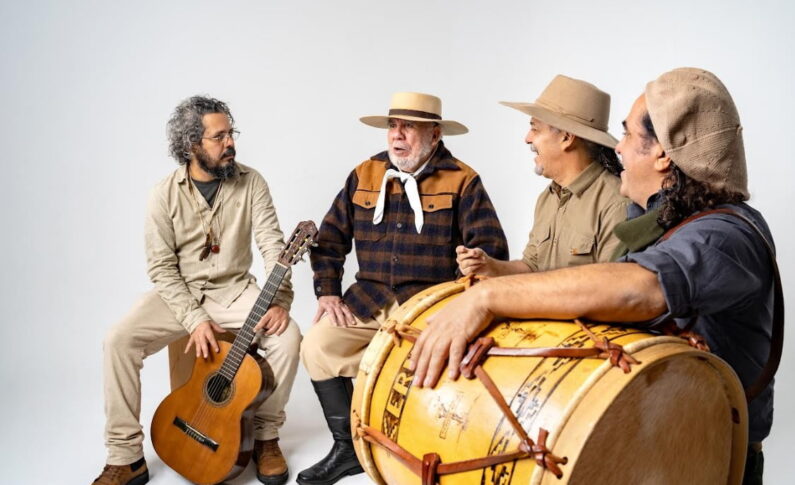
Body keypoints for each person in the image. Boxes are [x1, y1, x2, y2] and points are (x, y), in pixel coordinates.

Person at [409, 68, 776, 485]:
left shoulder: (726, 235)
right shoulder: (658, 218)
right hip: (650, 447)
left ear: (662, 154)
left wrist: (485, 297)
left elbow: (641, 289)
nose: (615, 149)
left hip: (705, 456)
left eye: (625, 135)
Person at [299, 92, 509, 485]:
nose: (397, 136)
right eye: (393, 126)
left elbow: (492, 253)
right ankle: (348, 449)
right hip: (369, 299)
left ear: (434, 133)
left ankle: (405, 447)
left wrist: (473, 268)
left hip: (427, 309)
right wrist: (328, 292)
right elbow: (329, 240)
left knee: (421, 372)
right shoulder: (365, 174)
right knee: (317, 347)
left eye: (408, 127)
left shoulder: (463, 180)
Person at [92, 96, 301, 485]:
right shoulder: (162, 194)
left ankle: (266, 438)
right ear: (192, 146)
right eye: (219, 137)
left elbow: (274, 247)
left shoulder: (251, 181)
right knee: (118, 340)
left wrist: (280, 300)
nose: (230, 143)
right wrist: (195, 319)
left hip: (237, 291)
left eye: (231, 134)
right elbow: (161, 268)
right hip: (181, 296)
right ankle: (125, 456)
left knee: (288, 338)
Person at [457, 75, 628, 277]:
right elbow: (531, 266)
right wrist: (491, 266)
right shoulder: (547, 199)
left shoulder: (617, 203)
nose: (527, 138)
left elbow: (611, 288)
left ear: (566, 137)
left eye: (535, 128)